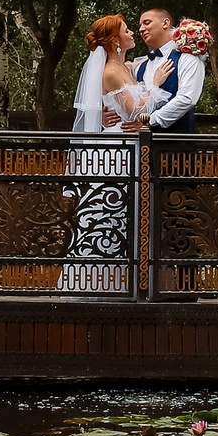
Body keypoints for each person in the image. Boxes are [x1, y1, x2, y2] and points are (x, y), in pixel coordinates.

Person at [58, 15, 148, 295]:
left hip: (129, 143)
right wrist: (155, 85)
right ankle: (97, 283)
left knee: (128, 213)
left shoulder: (126, 67)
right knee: (108, 214)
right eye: (127, 30)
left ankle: (126, 281)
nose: (132, 33)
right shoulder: (110, 71)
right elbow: (134, 111)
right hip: (117, 150)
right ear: (115, 40)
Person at [128, 5, 205, 134]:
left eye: (147, 22)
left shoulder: (187, 58)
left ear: (165, 23)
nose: (141, 29)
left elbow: (187, 98)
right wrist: (107, 114)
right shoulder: (140, 66)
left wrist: (151, 121)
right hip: (141, 144)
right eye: (140, 25)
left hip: (176, 143)